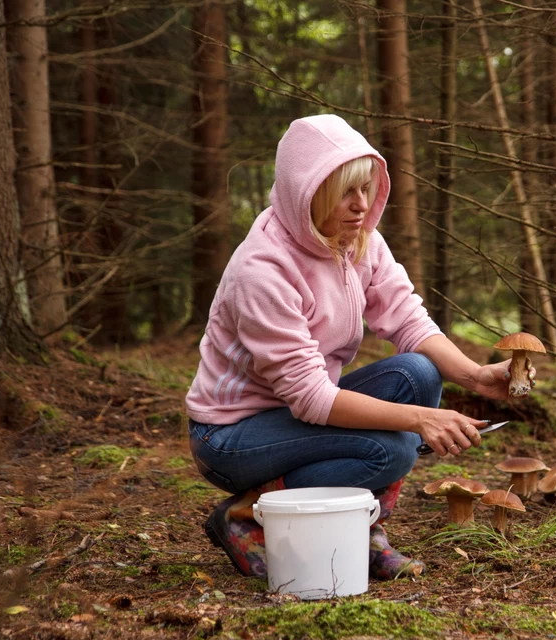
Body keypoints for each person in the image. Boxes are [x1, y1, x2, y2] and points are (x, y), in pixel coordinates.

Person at [185, 114, 531, 580]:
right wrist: (421, 420)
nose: (361, 205)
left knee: (420, 373)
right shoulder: (262, 269)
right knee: (391, 451)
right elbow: (311, 398)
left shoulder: (359, 240)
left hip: (295, 414)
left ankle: (363, 530)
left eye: (367, 188)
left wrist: (473, 375)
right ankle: (247, 517)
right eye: (344, 192)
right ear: (305, 191)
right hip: (230, 437)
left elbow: (408, 319)